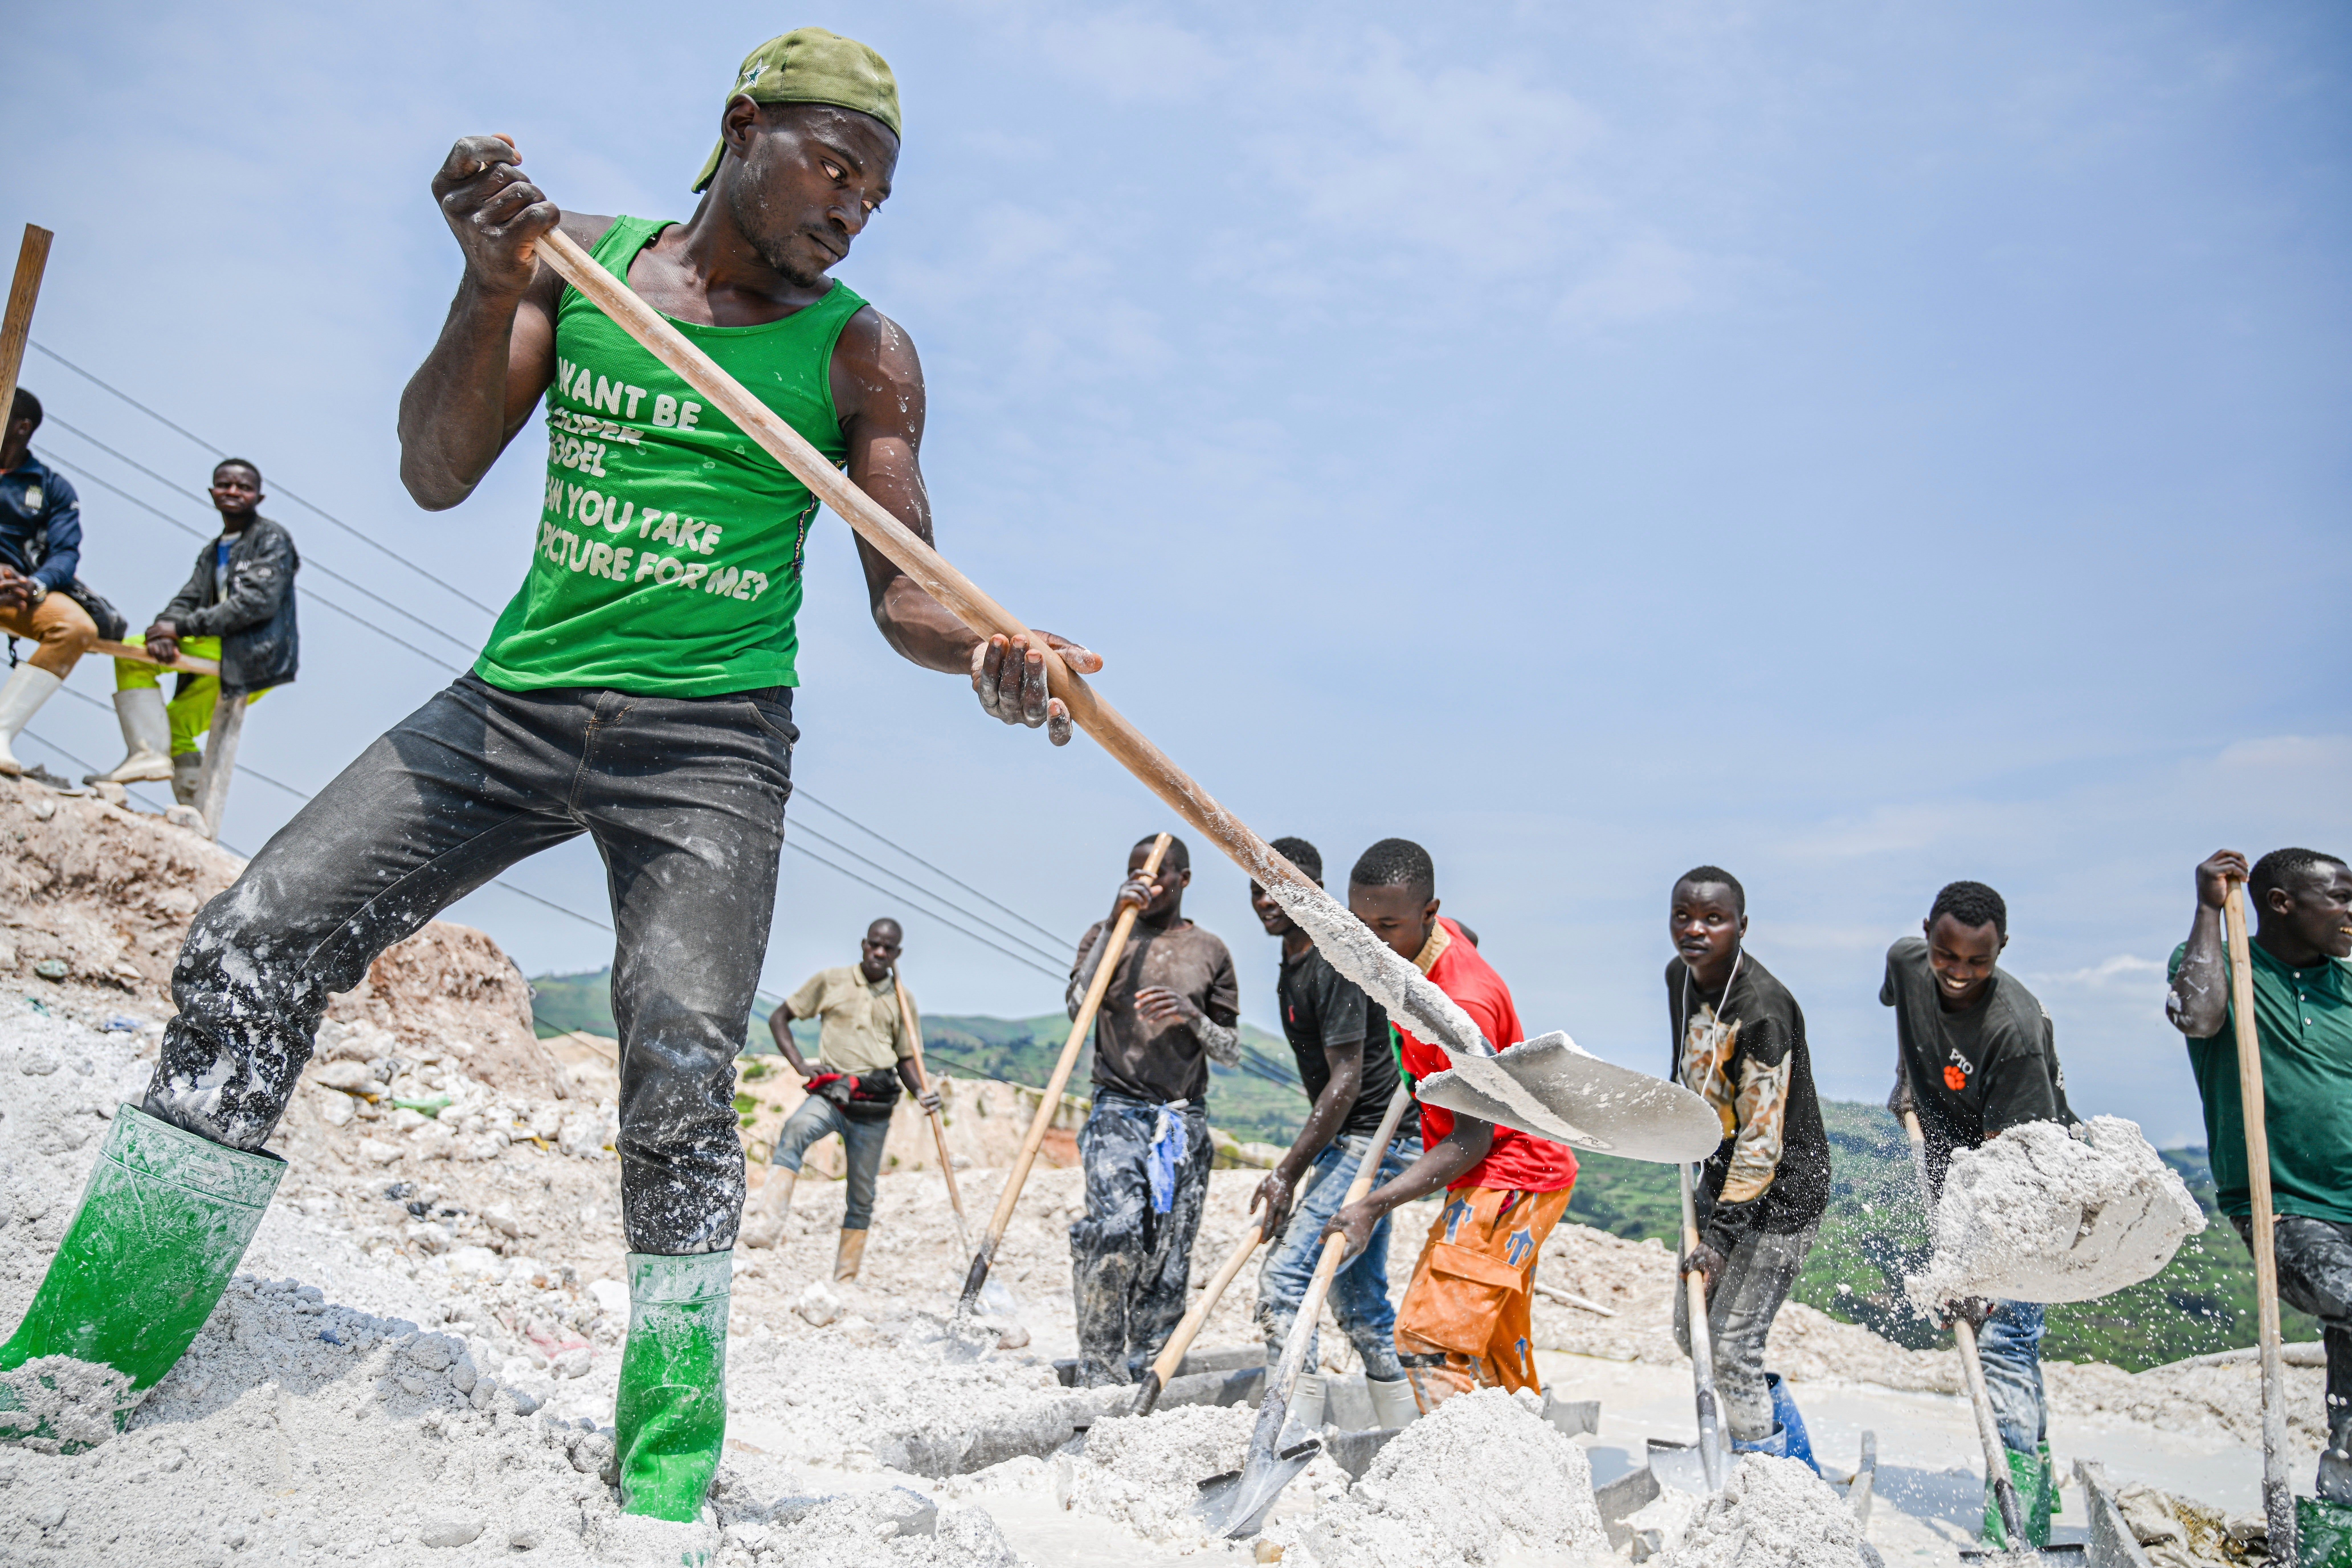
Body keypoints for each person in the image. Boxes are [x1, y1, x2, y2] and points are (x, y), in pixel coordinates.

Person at [0, 28, 1101, 1524]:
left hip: (711, 745)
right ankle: (88, 1355)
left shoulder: (861, 351)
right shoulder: (575, 266)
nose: (852, 211)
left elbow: (907, 585)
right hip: (515, 705)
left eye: (877, 197)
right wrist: (485, 278)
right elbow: (436, 469)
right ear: (739, 130)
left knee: (680, 1058)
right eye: (835, 171)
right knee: (255, 940)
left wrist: (991, 649)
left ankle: (663, 1483)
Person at [1323, 838, 1577, 1414]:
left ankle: (1455, 1483)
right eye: (1360, 923)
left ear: (1429, 914)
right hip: (1499, 1168)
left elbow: (1471, 1139)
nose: (1372, 942)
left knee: (1428, 1342)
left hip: (1512, 1173)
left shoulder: (1462, 1005)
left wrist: (1372, 1205)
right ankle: (1526, 1468)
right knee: (1493, 1355)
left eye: (1387, 925)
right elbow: (1467, 935)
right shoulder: (1418, 947)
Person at [1883, 879, 2073, 1547]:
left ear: (2002, 950)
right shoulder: (1905, 962)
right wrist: (1908, 1071)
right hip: (1956, 1173)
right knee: (2011, 1347)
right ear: (1927, 935)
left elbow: (2006, 1176)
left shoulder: (2012, 1029)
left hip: (2026, 1189)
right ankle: (2035, 1502)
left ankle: (2014, 1520)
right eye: (1947, 955)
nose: (1959, 973)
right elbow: (1908, 1011)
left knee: (2003, 1342)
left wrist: (1972, 1268)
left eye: (1978, 962)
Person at [2165, 847, 2352, 1504]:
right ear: (2281, 904)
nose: (2351, 914)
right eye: (2340, 899)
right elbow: (2197, 1015)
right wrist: (2206, 914)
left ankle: (2341, 1495)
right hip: (2287, 1209)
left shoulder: (2348, 986)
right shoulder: (2228, 967)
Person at [1246, 836, 1423, 1433]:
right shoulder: (1293, 963)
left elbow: (1346, 1078)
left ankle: (1287, 1438)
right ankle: (1408, 1437)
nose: (1267, 900)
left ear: (1312, 892)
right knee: (1359, 1304)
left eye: (1282, 888)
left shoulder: (1332, 958)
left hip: (1376, 1141)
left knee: (1285, 1280)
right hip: (1359, 1141)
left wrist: (1287, 1174)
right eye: (1257, 886)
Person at [1665, 866, 1830, 1468]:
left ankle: (1777, 1482)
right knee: (1694, 1334)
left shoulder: (1763, 1010)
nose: (1696, 930)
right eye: (1684, 915)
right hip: (1719, 1177)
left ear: (1742, 926)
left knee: (1731, 1350)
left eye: (1714, 918)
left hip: (1782, 1193)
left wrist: (1719, 1242)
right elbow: (1691, 1071)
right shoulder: (1678, 978)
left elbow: (1763, 1141)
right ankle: (1779, 1447)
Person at [1065, 832, 1240, 1387]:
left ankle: (1150, 1367)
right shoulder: (1106, 936)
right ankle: (1100, 1363)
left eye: (1160, 873)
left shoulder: (1210, 950)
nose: (1148, 881)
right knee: (1116, 1226)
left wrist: (1193, 1014)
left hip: (1182, 1119)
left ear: (1185, 880)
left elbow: (1230, 1049)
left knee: (1169, 1251)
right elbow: (1077, 1006)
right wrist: (1115, 924)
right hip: (1118, 1104)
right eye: (1136, 871)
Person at [88, 459, 298, 802]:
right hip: (214, 644)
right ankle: (193, 808)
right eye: (225, 484)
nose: (233, 491)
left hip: (256, 650)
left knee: (132, 653)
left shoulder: (271, 539)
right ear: (213, 493)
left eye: (243, 487)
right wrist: (164, 630)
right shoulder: (214, 550)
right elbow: (186, 598)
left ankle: (148, 754)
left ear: (259, 498)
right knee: (174, 724)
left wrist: (181, 627)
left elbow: (257, 603)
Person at [740, 917, 939, 1279]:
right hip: (833, 1093)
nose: (880, 952)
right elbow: (780, 1017)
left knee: (862, 1194)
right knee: (796, 1128)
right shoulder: (831, 981)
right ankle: (767, 1226)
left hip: (875, 1105)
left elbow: (907, 1057)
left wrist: (923, 1093)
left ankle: (845, 1278)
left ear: (898, 954)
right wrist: (800, 1063)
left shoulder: (902, 999)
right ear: (864, 944)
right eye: (874, 944)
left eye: (888, 948)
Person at [0, 388, 102, 776]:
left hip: (16, 591)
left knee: (76, 627)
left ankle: (1, 732)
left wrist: (36, 585)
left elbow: (66, 553)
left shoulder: (50, 487)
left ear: (21, 427)